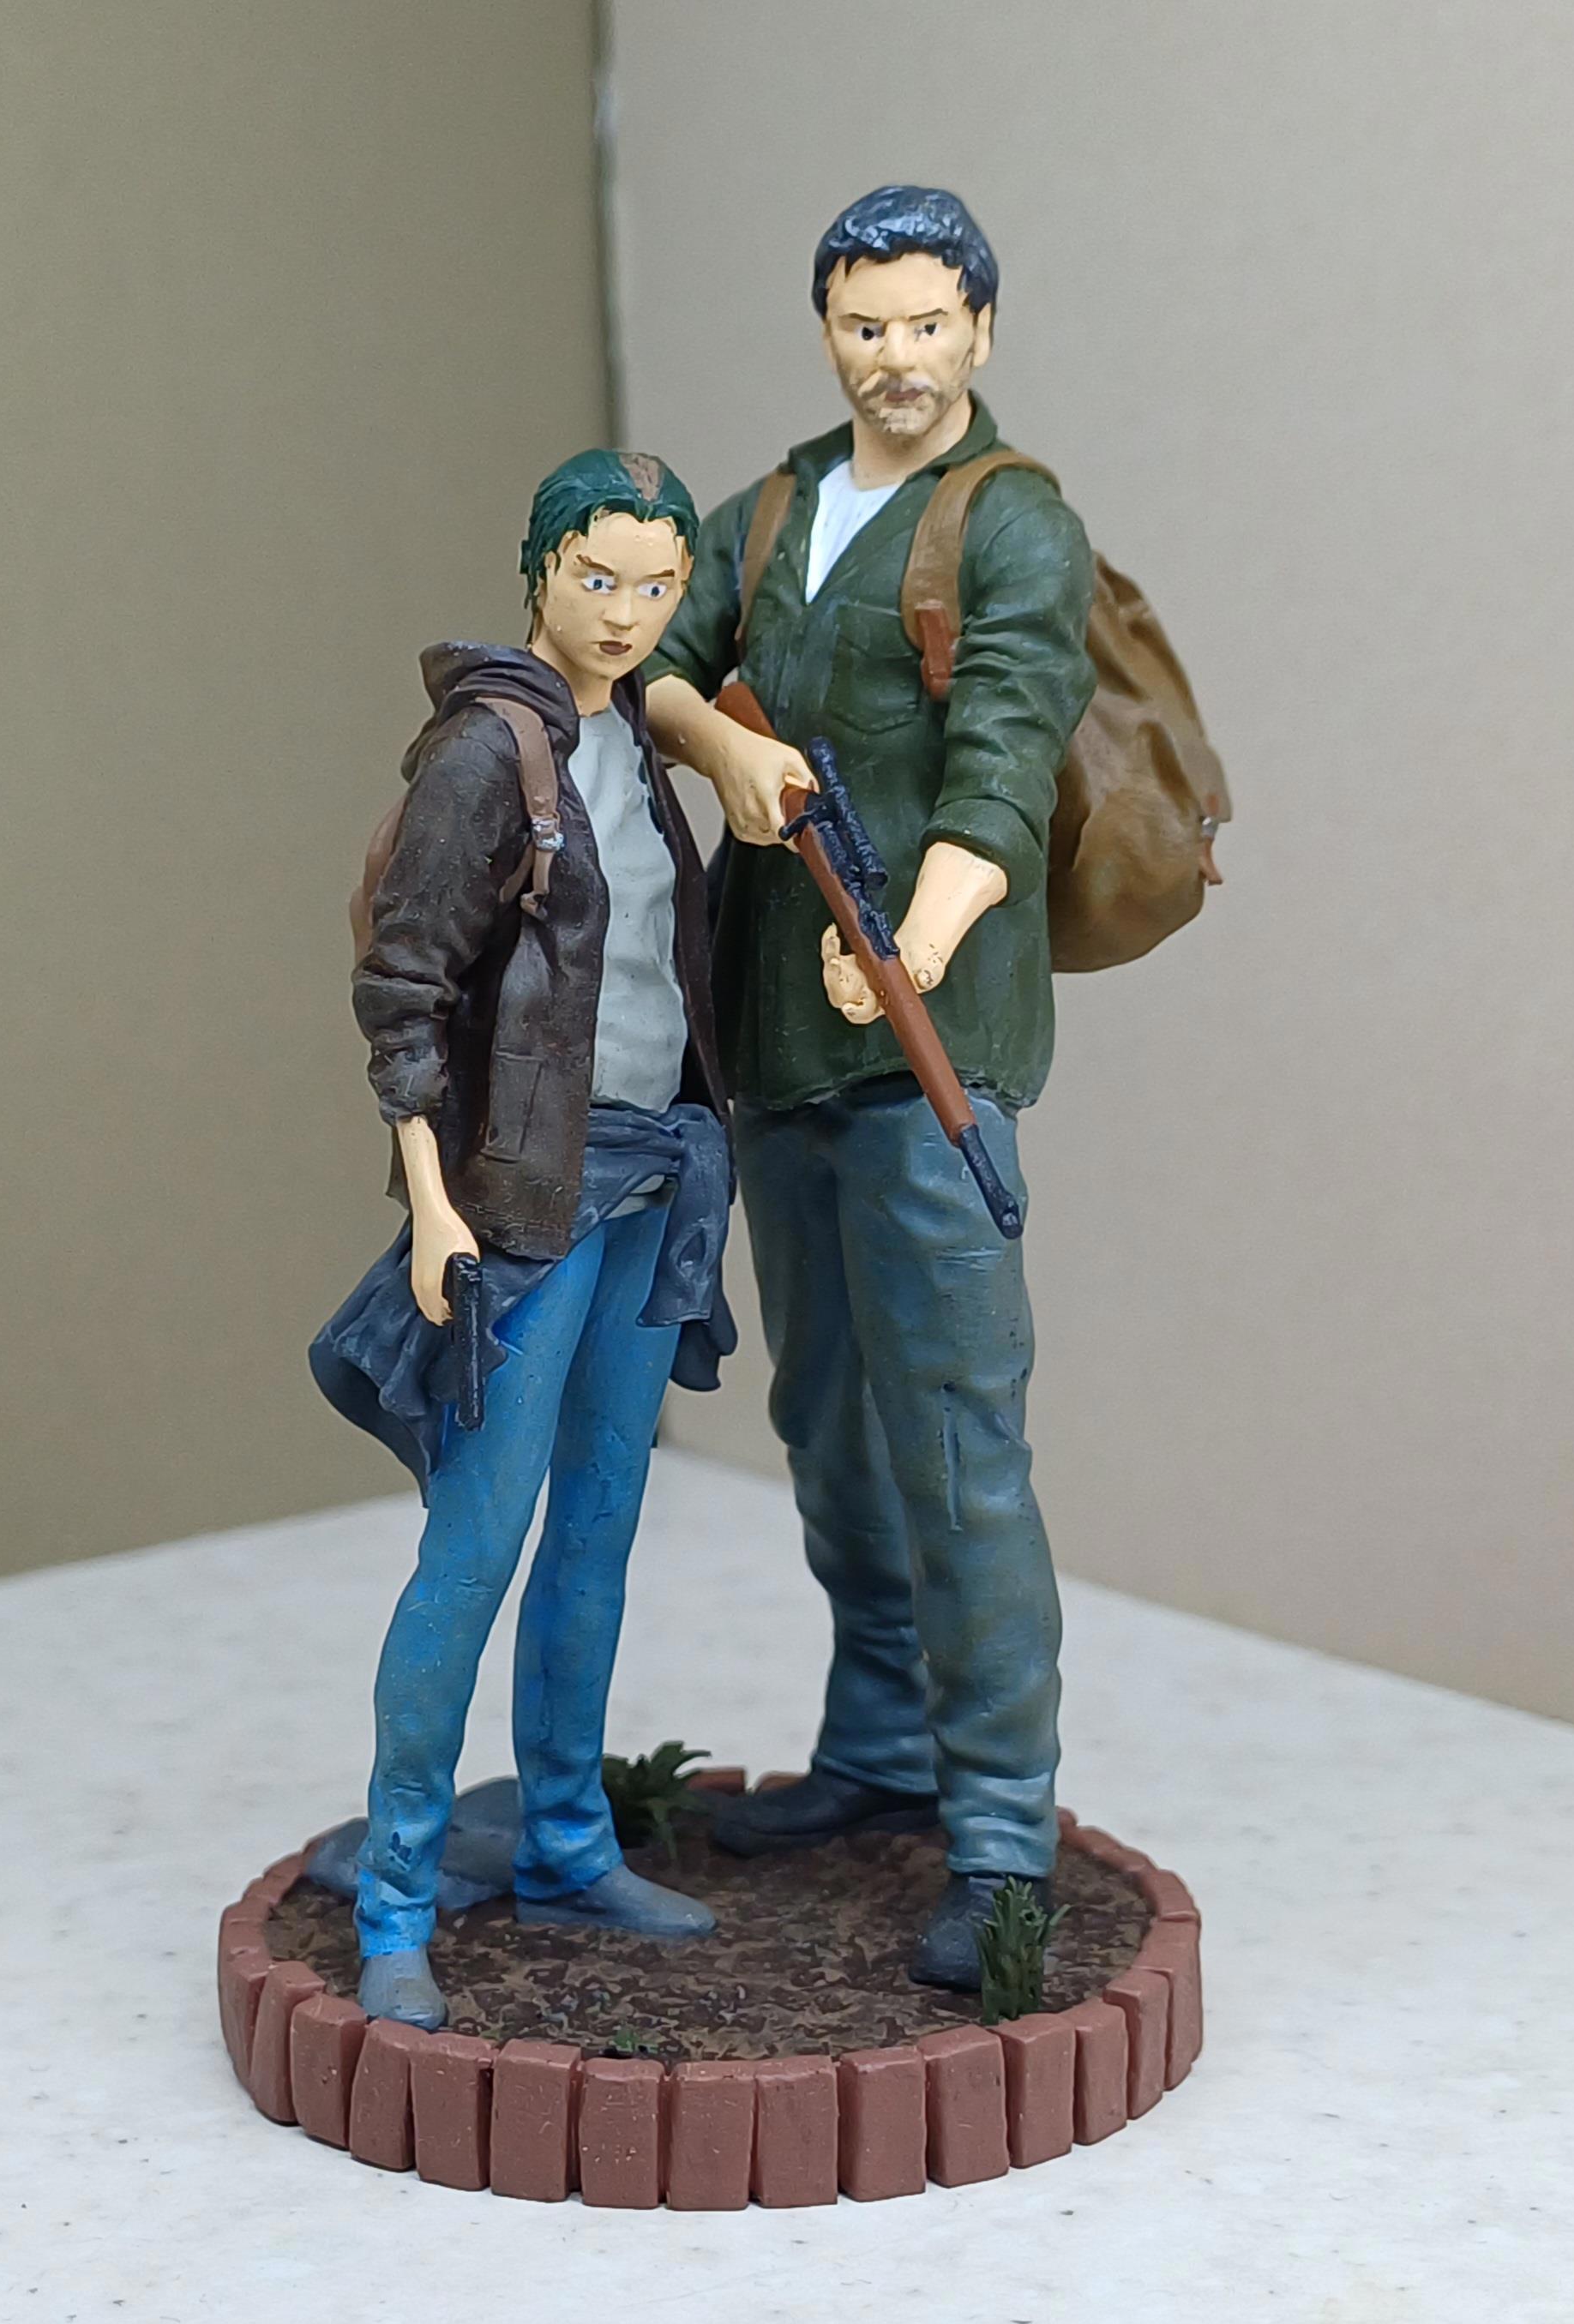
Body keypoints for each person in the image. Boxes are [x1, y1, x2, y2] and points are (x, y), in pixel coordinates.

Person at [641, 186, 1098, 1991]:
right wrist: (724, 746)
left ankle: (999, 1837)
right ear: (826, 331)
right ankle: (883, 1742)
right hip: (777, 1044)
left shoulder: (1011, 521)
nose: (894, 358)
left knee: (960, 1448)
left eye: (924, 324)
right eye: (863, 325)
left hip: (925, 1052)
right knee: (827, 1420)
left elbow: (1006, 758)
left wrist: (915, 942)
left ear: (979, 327)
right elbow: (653, 668)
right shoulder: (769, 510)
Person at [311, 449, 732, 2028]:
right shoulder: (489, 753)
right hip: (527, 1206)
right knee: (475, 1547)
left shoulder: (636, 737)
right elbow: (404, 994)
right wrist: (431, 1205)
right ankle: (397, 1898)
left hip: (658, 1180)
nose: (623, 612)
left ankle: (565, 1838)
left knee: (600, 1529)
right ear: (540, 572)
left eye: (655, 586)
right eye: (595, 578)